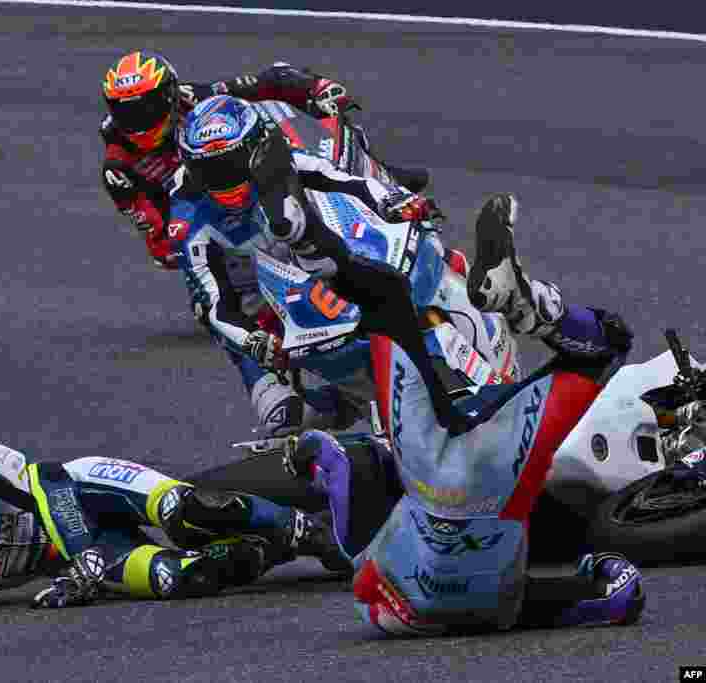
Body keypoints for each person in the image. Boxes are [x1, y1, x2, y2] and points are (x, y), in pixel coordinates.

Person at [280, 193, 645, 637]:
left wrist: (599, 570)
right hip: (442, 466)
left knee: (603, 350)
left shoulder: (496, 608)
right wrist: (308, 452)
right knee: (386, 297)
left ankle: (538, 313)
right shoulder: (373, 572)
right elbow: (334, 464)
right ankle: (306, 237)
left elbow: (618, 596)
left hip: (492, 490)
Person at [174, 95, 463, 436]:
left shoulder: (279, 160)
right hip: (261, 314)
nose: (222, 181)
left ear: (253, 152)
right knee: (284, 419)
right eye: (208, 171)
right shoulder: (187, 216)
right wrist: (252, 340)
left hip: (314, 263)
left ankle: (446, 356)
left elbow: (344, 179)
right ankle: (334, 425)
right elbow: (212, 304)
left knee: (389, 281)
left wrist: (394, 200)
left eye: (229, 166)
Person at [0, 433, 346, 618]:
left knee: (184, 511)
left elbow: (43, 478)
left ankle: (306, 530)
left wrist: (81, 558)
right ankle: (272, 552)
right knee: (180, 577)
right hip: (80, 560)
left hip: (81, 492)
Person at [100, 50, 429, 270]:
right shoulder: (119, 169)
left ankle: (381, 175)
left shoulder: (191, 97)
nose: (138, 120)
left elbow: (263, 83)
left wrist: (315, 88)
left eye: (145, 107)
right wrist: (183, 236)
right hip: (211, 217)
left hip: (241, 180)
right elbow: (159, 244)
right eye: (125, 111)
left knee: (307, 119)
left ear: (170, 94)